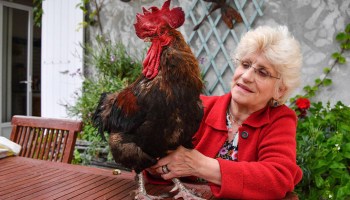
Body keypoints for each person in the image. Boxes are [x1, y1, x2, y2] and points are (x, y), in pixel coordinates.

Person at [146, 25, 303, 199]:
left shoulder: (279, 120)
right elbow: (156, 162)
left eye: (262, 73)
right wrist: (157, 164)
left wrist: (199, 165)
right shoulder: (197, 108)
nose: (246, 76)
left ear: (280, 90)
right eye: (245, 65)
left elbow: (278, 179)